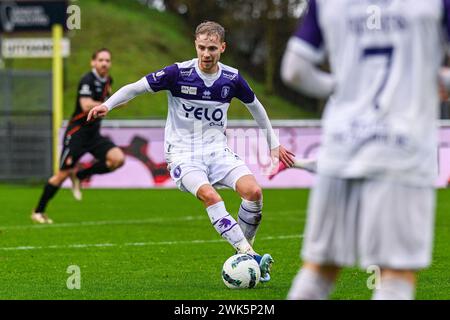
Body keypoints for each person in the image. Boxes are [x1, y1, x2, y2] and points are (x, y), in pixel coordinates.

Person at [88, 21, 294, 282]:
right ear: (195, 46)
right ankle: (250, 255)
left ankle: (245, 251)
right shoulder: (177, 73)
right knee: (210, 196)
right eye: (201, 48)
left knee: (254, 193)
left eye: (212, 48)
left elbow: (257, 107)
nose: (206, 54)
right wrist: (107, 105)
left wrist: (273, 144)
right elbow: (136, 87)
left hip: (218, 151)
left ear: (222, 47)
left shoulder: (232, 78)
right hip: (183, 154)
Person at [281, 0, 447, 299]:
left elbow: (294, 71)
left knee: (318, 272)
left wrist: (344, 89)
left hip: (342, 146)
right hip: (402, 151)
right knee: (395, 274)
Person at [32, 48, 125, 224]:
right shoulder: (87, 80)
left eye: (107, 60)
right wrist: (110, 104)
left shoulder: (108, 80)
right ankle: (38, 211)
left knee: (117, 159)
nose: (104, 63)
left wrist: (120, 99)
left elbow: (111, 96)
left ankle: (80, 175)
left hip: (93, 135)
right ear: (93, 62)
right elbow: (85, 105)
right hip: (77, 134)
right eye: (101, 60)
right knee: (61, 175)